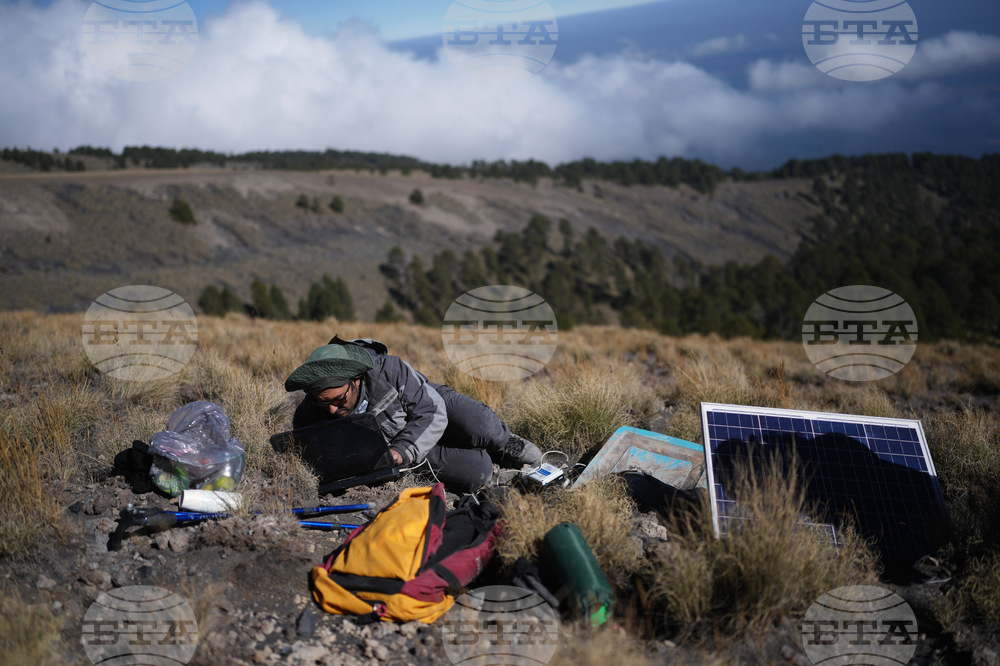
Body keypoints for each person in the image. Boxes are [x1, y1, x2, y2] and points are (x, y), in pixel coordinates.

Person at [284, 335, 541, 493]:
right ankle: (492, 464)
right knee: (479, 472)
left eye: (338, 399)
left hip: (430, 406)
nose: (331, 409)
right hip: (406, 449)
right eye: (322, 403)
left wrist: (401, 449)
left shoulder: (389, 370)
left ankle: (505, 444)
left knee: (481, 425)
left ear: (357, 380)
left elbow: (431, 411)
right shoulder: (309, 414)